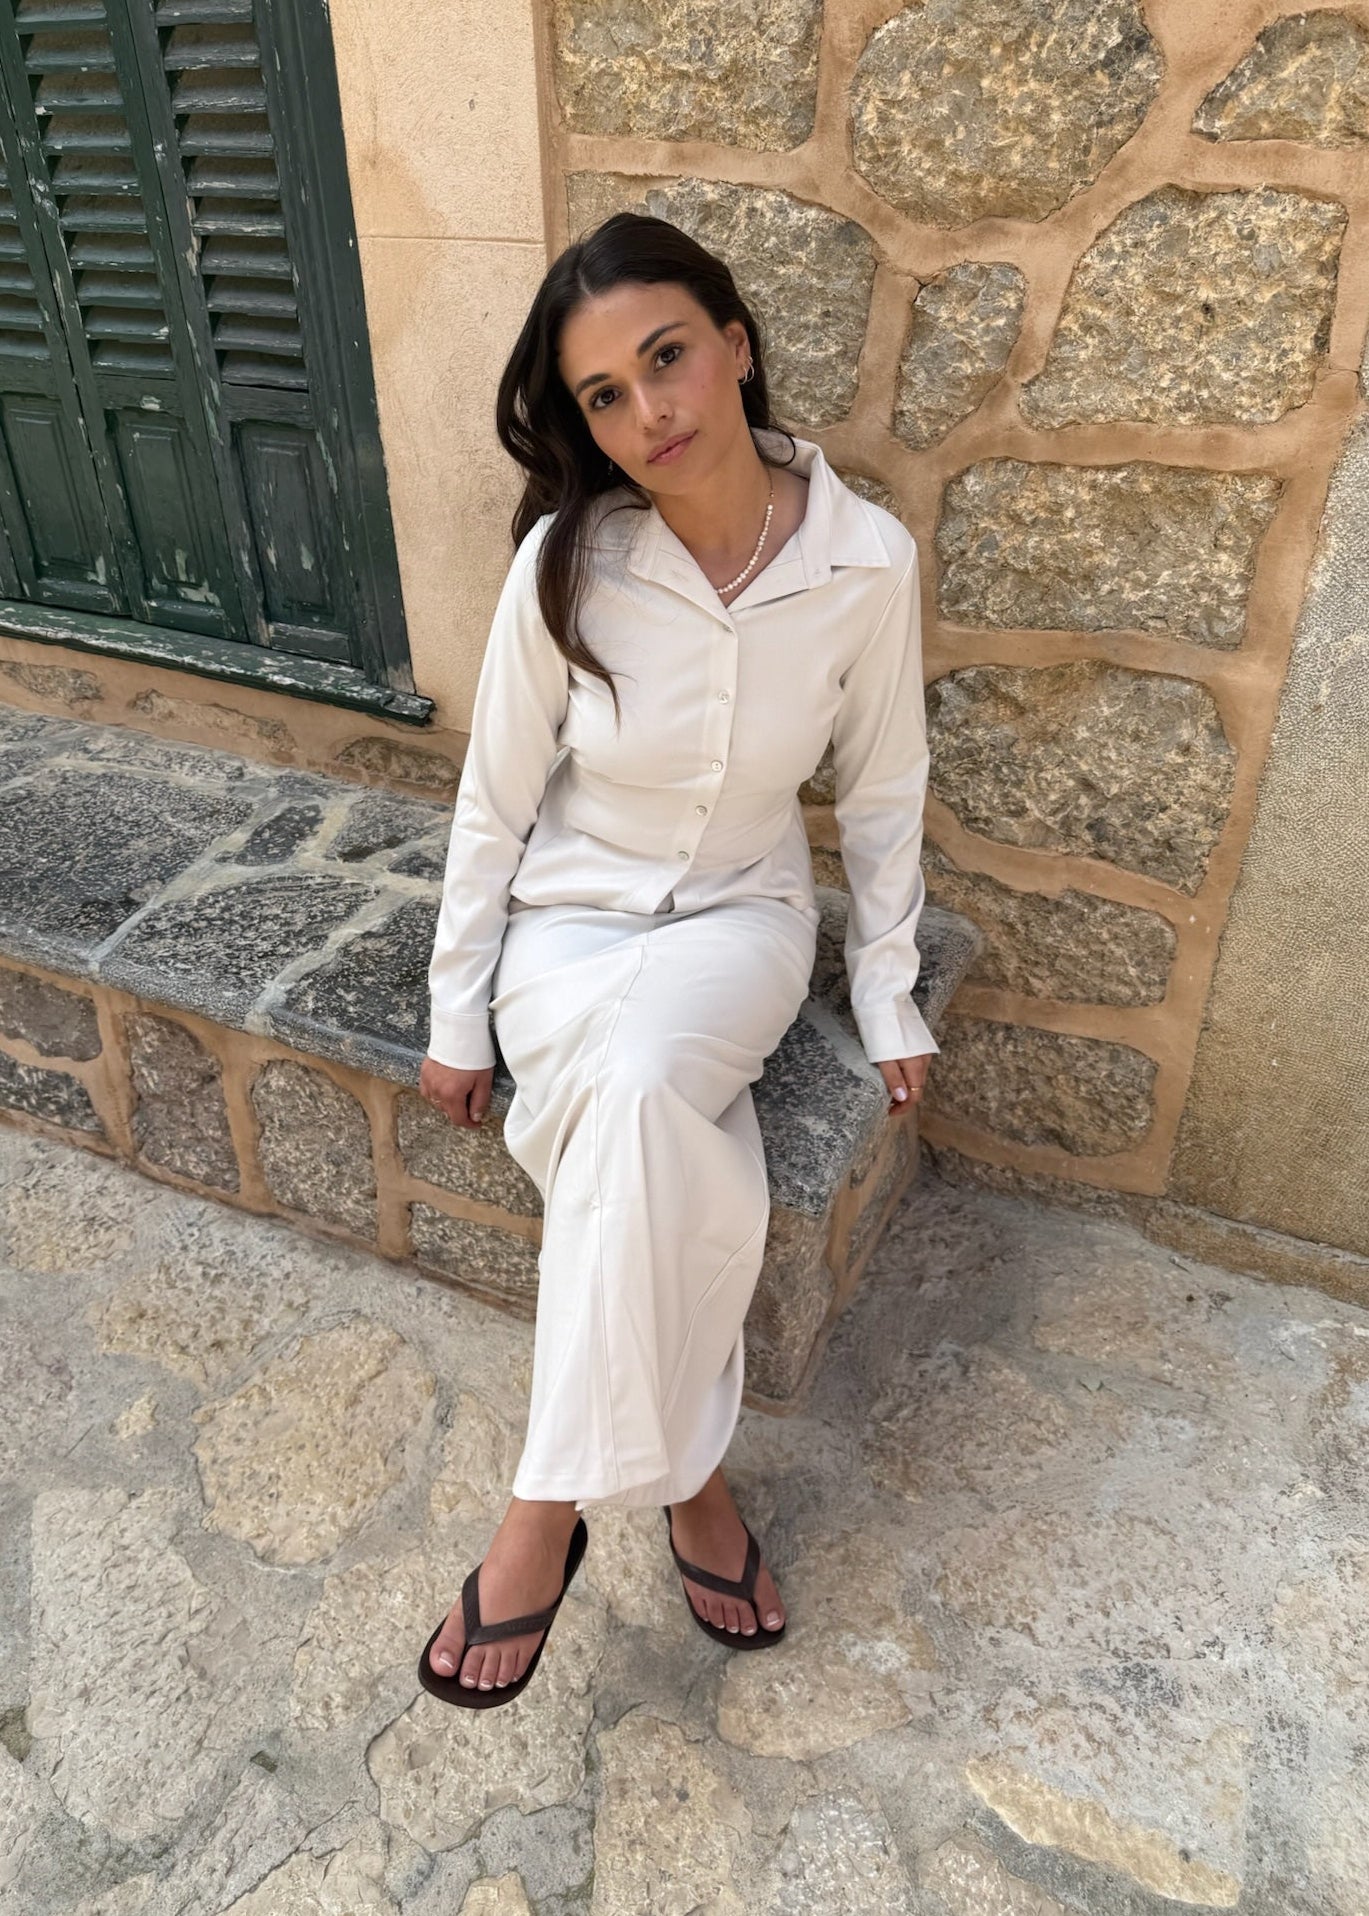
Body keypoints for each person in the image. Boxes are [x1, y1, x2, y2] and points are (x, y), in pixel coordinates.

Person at [415, 211, 939, 1710]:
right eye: (604, 394)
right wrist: (458, 1012)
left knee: (640, 1085)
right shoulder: (567, 564)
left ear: (736, 346)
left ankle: (543, 1511)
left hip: (737, 919)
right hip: (568, 923)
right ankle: (691, 1482)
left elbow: (884, 788)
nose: (649, 411)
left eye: (667, 357)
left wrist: (886, 987)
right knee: (643, 1117)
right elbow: (495, 800)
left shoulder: (862, 563)